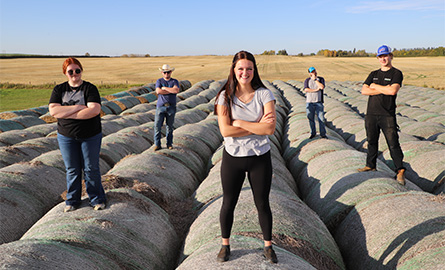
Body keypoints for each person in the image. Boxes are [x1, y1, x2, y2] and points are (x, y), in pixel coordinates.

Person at [214, 51, 278, 264]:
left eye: (249, 68)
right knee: (228, 202)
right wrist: (255, 126)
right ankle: (225, 245)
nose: (245, 72)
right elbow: (225, 131)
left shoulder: (264, 94)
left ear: (254, 70)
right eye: (240, 68)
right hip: (233, 157)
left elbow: (270, 128)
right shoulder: (224, 96)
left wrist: (240, 123)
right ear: (234, 70)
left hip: (260, 157)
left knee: (262, 203)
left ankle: (268, 246)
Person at [49, 57, 106, 212]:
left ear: (81, 71)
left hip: (90, 135)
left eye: (77, 70)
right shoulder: (59, 90)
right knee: (72, 169)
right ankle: (73, 200)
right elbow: (53, 111)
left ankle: (96, 199)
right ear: (65, 73)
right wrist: (78, 107)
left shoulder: (90, 88)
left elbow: (94, 110)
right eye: (70, 71)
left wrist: (66, 112)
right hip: (66, 137)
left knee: (91, 168)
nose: (74, 74)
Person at [358, 45, 406, 185]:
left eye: (385, 56)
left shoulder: (396, 73)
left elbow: (392, 91)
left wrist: (375, 86)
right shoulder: (373, 73)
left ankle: (400, 170)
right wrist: (384, 88)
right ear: (378, 58)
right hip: (371, 114)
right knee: (371, 141)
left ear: (391, 56)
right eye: (380, 56)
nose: (383, 59)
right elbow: (364, 91)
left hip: (387, 115)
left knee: (393, 143)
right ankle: (370, 165)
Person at [154, 64, 180, 151]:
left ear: (171, 72)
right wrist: (170, 91)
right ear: (162, 72)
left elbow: (176, 90)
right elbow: (158, 91)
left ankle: (169, 144)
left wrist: (164, 88)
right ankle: (157, 144)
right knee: (157, 126)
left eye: (168, 72)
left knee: (170, 127)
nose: (166, 74)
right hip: (161, 107)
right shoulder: (159, 81)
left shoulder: (174, 81)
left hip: (171, 107)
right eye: (164, 72)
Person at [303, 67, 327, 139]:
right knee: (311, 118)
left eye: (314, 71)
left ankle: (323, 134)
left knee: (321, 119)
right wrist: (315, 90)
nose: (314, 72)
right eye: (312, 72)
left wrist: (315, 80)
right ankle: (313, 133)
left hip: (318, 102)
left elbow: (322, 87)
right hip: (310, 102)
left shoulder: (321, 79)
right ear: (309, 73)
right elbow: (306, 89)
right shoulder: (307, 80)